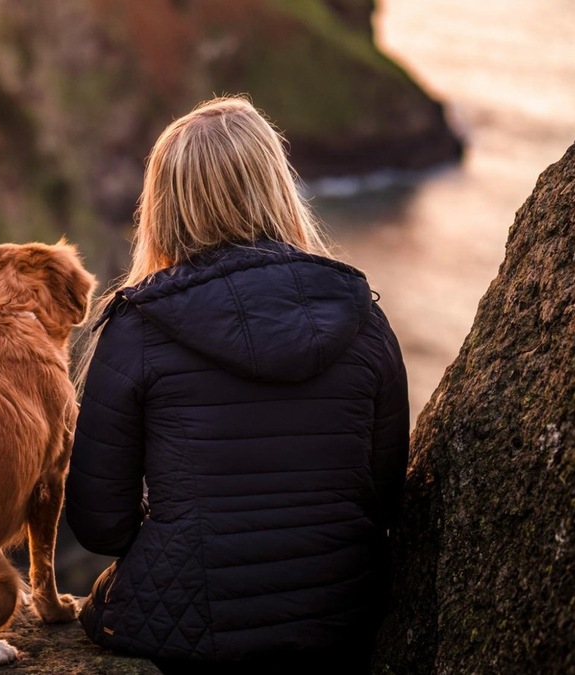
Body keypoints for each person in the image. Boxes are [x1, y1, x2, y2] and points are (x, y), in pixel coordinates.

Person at [65, 96, 409, 674]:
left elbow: (101, 524)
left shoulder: (140, 324)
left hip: (187, 632)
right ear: (277, 185)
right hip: (340, 616)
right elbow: (382, 498)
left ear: (164, 206)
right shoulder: (361, 314)